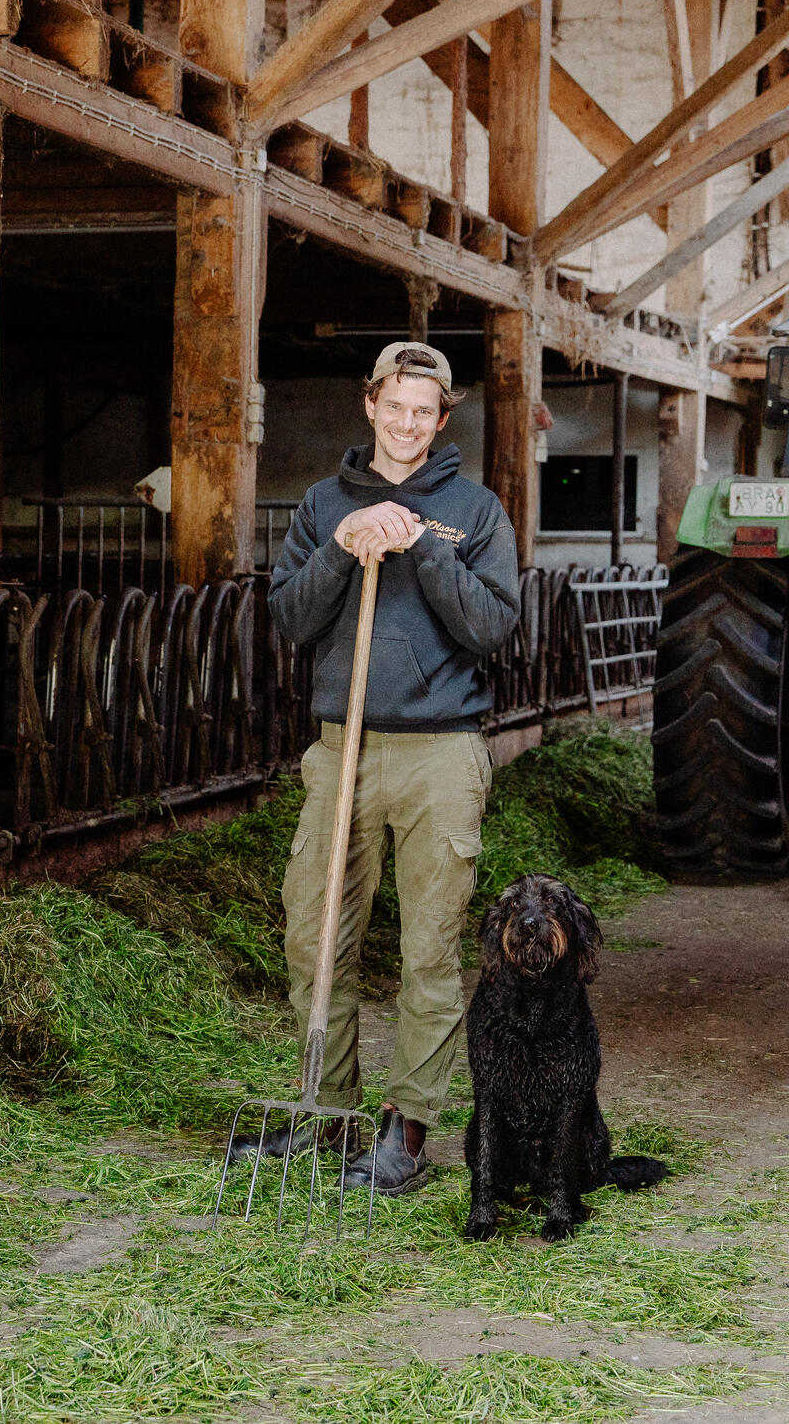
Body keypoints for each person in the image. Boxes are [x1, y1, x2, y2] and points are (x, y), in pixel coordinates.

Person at [253, 341, 519, 1196]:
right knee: (314, 938)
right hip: (344, 748)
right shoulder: (324, 501)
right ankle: (325, 1113)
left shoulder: (475, 511)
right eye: (393, 406)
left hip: (441, 752)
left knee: (428, 949)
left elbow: (492, 628)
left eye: (423, 412)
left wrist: (425, 550)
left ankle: (405, 1132)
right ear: (370, 404)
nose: (407, 424)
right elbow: (290, 621)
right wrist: (341, 547)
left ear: (442, 420)